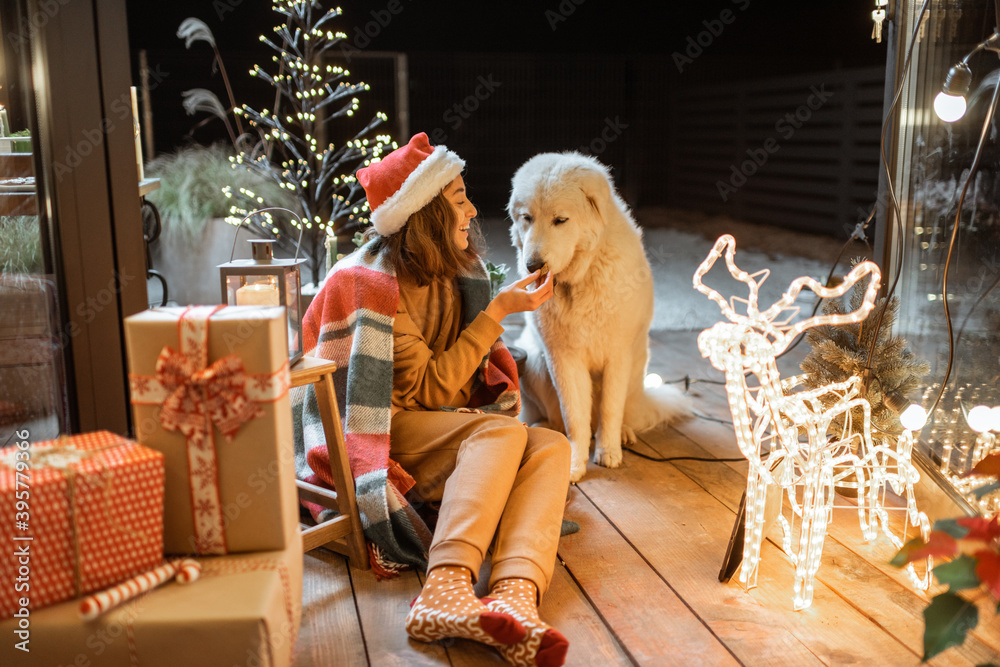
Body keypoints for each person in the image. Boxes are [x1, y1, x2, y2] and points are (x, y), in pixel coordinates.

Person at [298, 132, 572, 667]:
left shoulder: (453, 270)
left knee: (550, 446)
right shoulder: (371, 284)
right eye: (458, 199)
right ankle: (445, 586)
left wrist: (494, 308)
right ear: (423, 215)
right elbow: (428, 389)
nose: (471, 209)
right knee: (501, 432)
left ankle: (517, 592)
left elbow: (452, 387)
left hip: (430, 422)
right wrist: (498, 312)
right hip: (376, 432)